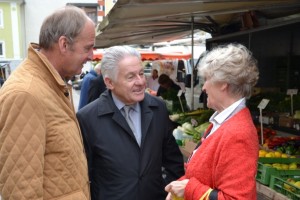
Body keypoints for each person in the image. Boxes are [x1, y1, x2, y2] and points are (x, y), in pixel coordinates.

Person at [0, 6, 95, 200]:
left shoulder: (51, 84)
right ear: (63, 44)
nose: (91, 56)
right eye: (87, 47)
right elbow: (21, 191)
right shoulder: (26, 94)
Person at [76, 45, 184, 200]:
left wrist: (168, 192)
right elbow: (84, 176)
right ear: (109, 82)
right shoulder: (87, 118)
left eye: (141, 73)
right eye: (131, 77)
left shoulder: (158, 108)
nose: (140, 82)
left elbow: (173, 161)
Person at [165, 43, 259, 200]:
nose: (204, 87)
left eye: (206, 79)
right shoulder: (224, 121)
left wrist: (189, 188)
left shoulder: (238, 132)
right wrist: (181, 186)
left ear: (223, 83)